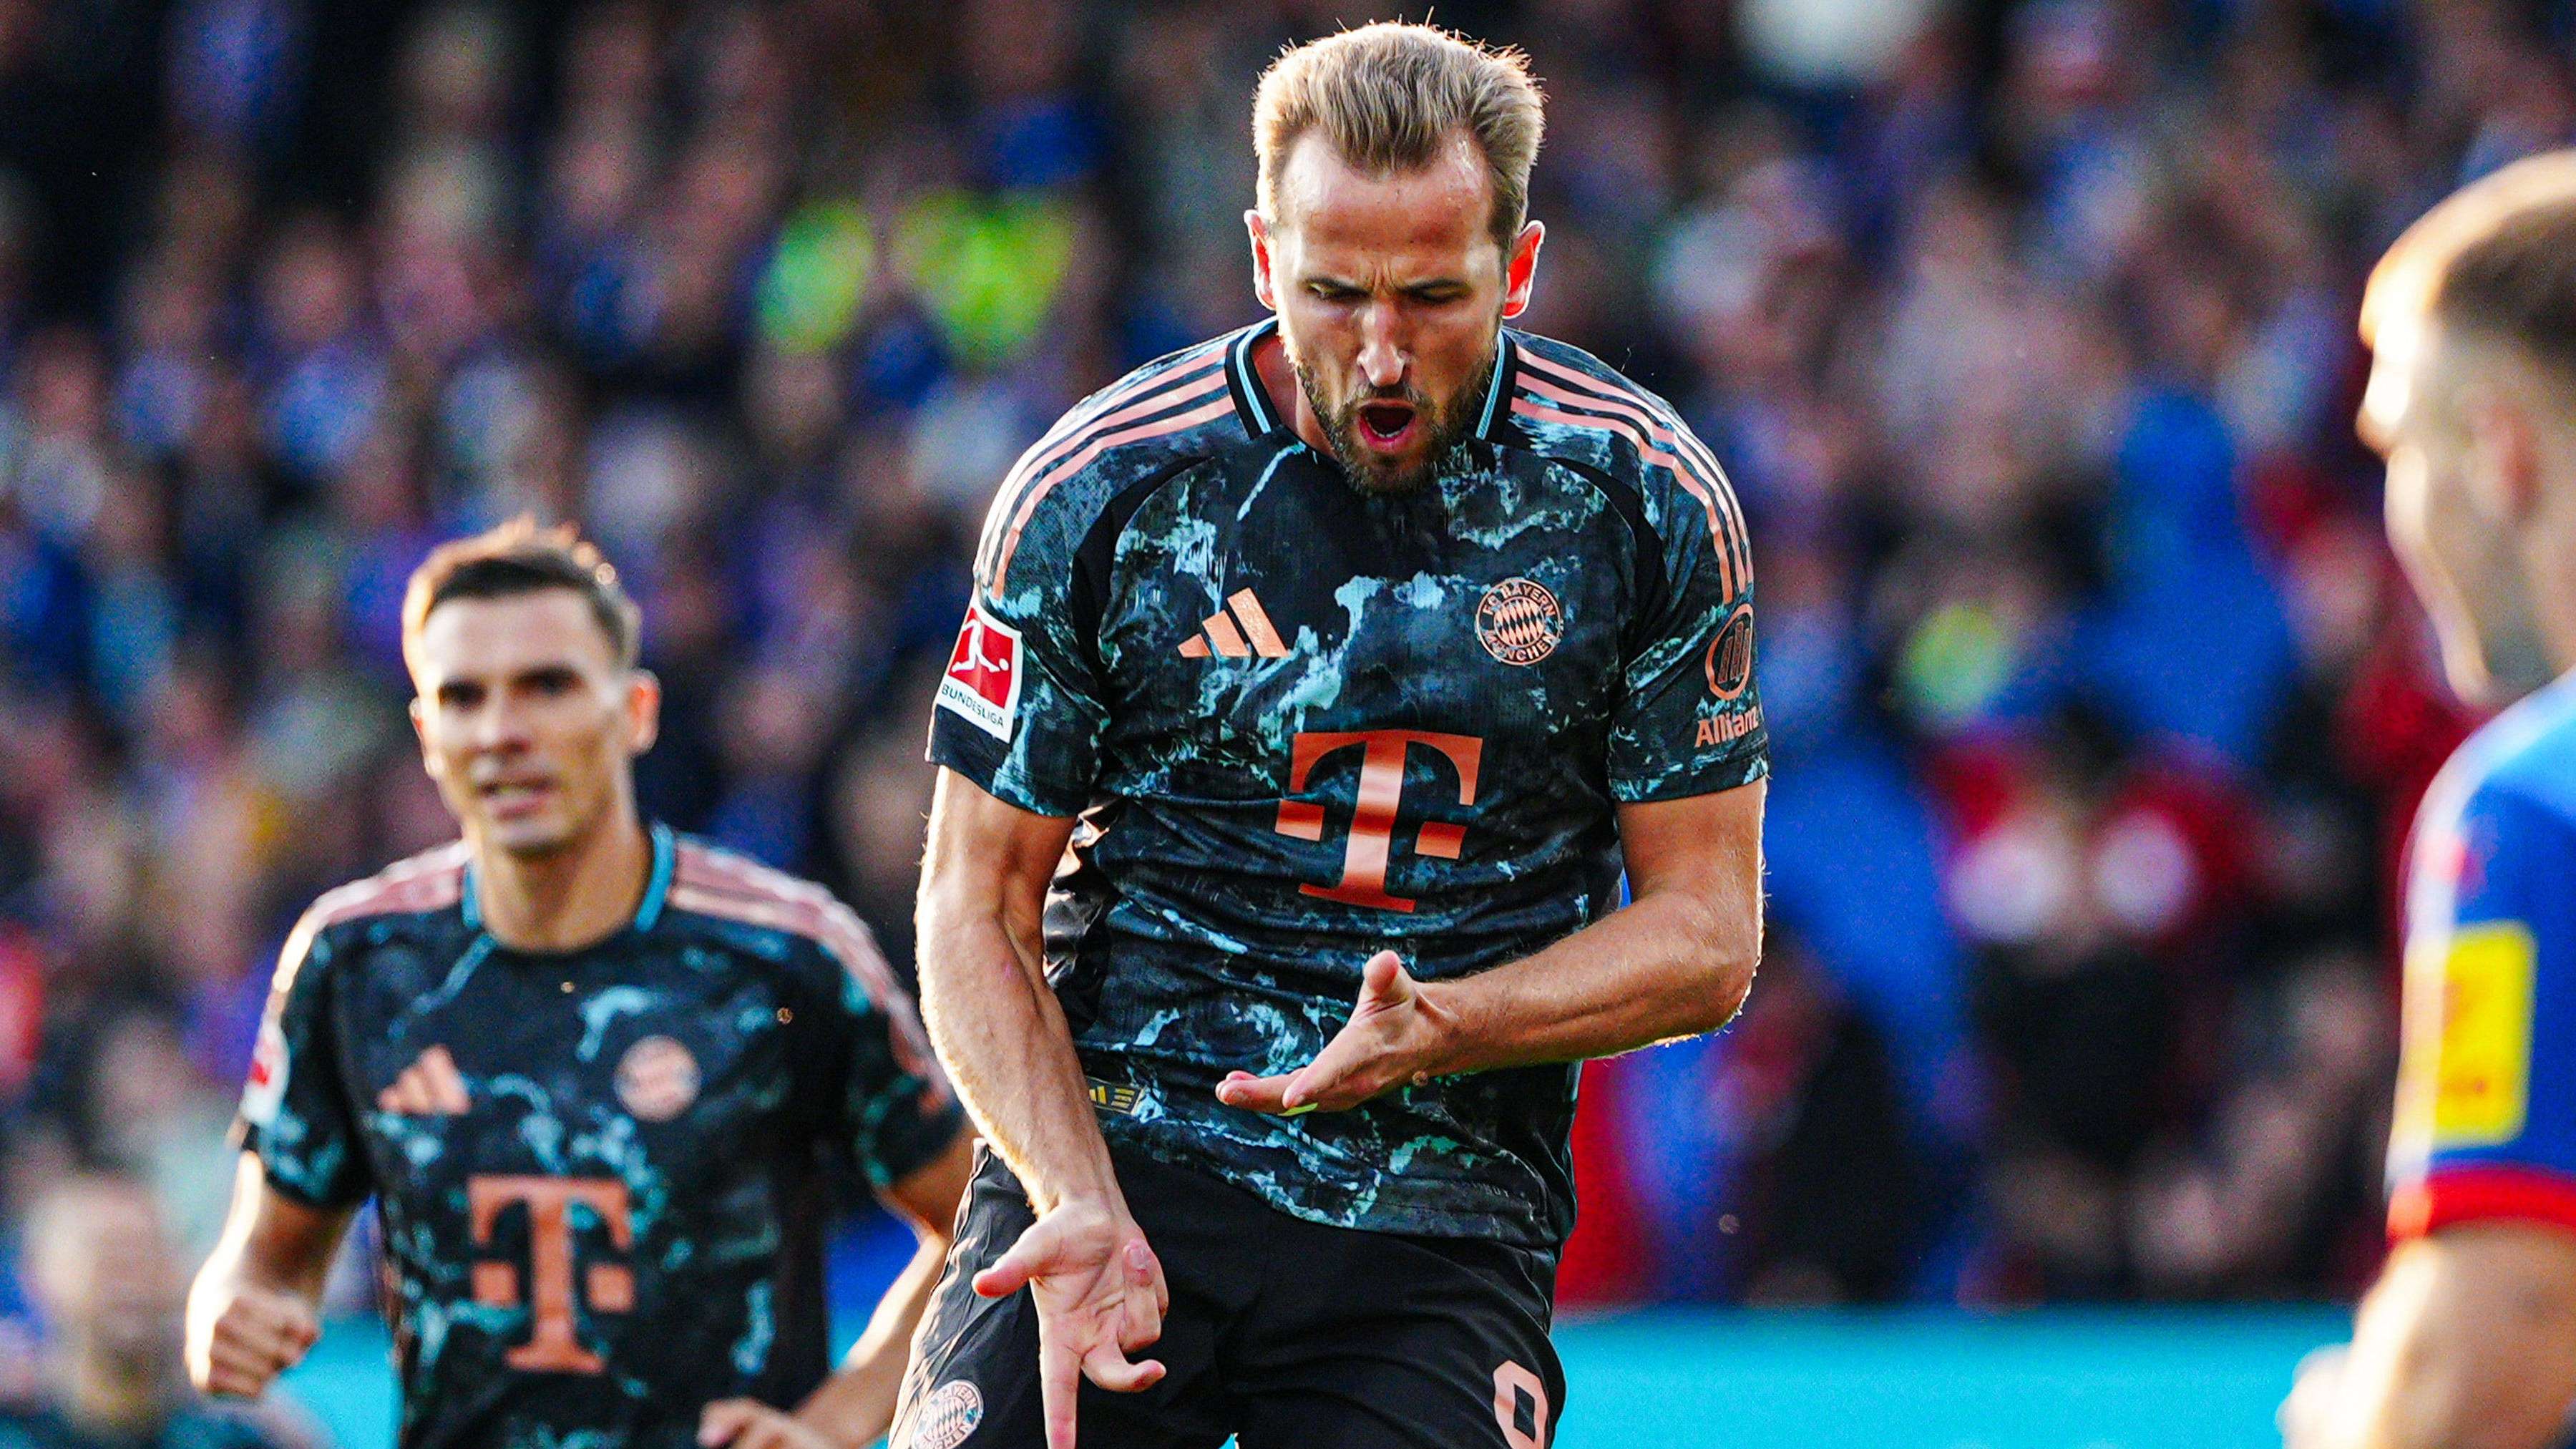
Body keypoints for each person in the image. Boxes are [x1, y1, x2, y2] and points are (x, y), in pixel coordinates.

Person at [902, 22, 1766, 1449]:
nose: (1377, 351)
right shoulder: (1105, 490)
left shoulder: (1641, 501)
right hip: (1121, 1143)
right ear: (1260, 256)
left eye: (1433, 295)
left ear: (1521, 268)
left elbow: (1708, 928)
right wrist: (1071, 1193)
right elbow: (972, 902)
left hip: (1437, 1195)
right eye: (1330, 292)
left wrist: (1447, 1023)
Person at [184, 519, 975, 1449]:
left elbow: (976, 1213)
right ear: (426, 733)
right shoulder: (357, 962)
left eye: (547, 686)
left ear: (635, 711)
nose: (503, 731)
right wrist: (230, 1310)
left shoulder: (786, 955)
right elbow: (264, 1259)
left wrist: (839, 1423)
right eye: (464, 697)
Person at [2281, 152, 2576, 1448]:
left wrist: (2356, 1420)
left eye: (2398, 446)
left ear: (2501, 453)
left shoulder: (2532, 812)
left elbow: (2489, 1355)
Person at [4, 1172, 309, 1449]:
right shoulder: (15, 1429)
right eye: (103, 1251)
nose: (129, 1278)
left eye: (146, 1250)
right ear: (35, 1275)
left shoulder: (234, 1432)